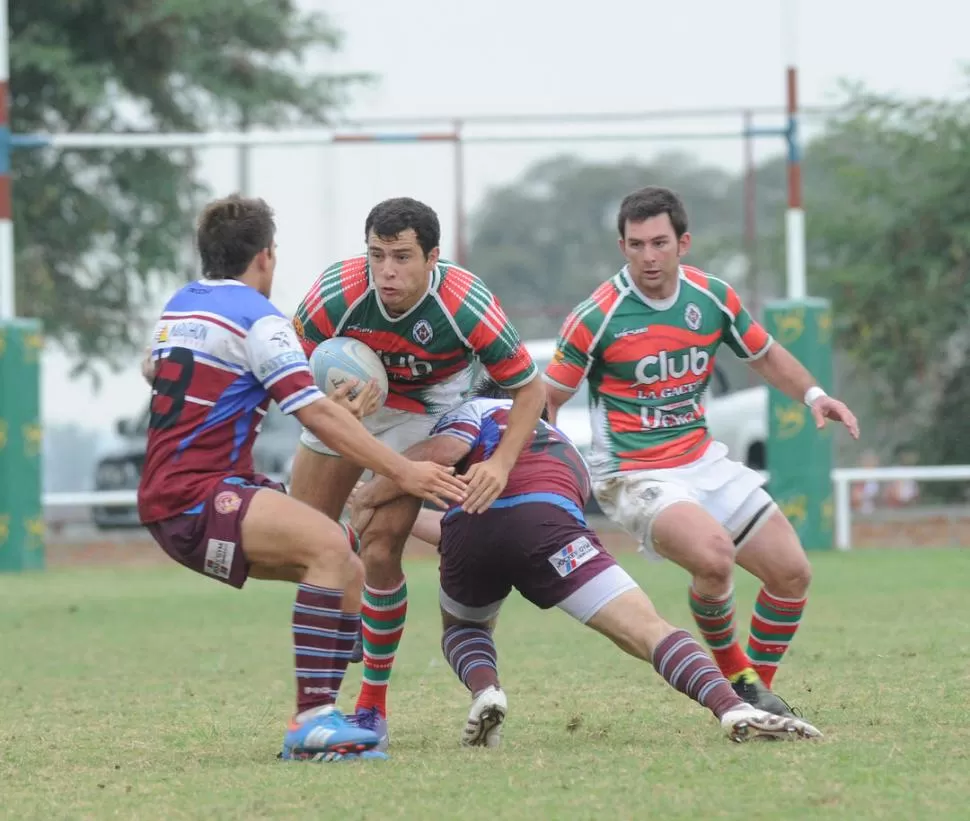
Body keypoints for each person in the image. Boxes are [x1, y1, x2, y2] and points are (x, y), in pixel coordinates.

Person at [137, 194, 467, 763]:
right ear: (265, 257)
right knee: (326, 544)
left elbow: (154, 366)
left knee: (346, 564)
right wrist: (404, 470)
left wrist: (328, 406)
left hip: (176, 495)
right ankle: (311, 720)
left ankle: (324, 721)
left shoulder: (182, 305)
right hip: (197, 496)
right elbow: (313, 416)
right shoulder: (260, 321)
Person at [350, 378, 823, 746]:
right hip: (551, 531)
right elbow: (534, 520)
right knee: (649, 630)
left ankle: (486, 690)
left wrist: (372, 493)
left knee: (464, 629)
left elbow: (448, 464)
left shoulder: (476, 410)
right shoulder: (565, 445)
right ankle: (730, 706)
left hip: (474, 530)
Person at [543, 186, 860, 716]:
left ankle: (753, 688)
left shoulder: (711, 297)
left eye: (659, 242)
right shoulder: (597, 315)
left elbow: (765, 354)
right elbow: (548, 398)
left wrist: (815, 394)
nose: (648, 256)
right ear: (622, 246)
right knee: (714, 558)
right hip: (634, 473)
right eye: (636, 244)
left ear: (682, 242)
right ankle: (735, 673)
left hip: (701, 459)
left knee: (792, 572)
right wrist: (536, 466)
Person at [289, 197, 546, 748]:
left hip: (424, 410)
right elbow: (288, 371)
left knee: (381, 547)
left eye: (402, 257)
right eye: (377, 255)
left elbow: (531, 388)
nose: (387, 270)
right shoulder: (334, 295)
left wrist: (501, 464)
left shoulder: (466, 304)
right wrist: (327, 401)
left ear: (432, 257)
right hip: (345, 407)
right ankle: (351, 614)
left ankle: (369, 710)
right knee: (304, 541)